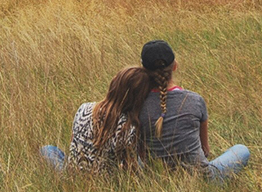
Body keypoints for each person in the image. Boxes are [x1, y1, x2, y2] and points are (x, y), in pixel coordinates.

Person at [138, 40, 249, 181]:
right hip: (201, 179)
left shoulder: (137, 104)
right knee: (241, 150)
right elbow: (205, 150)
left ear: (142, 70)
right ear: (175, 66)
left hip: (157, 180)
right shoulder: (195, 100)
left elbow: (140, 153)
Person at [41, 66, 151, 173]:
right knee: (142, 163)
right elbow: (130, 168)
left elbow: (73, 144)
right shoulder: (127, 127)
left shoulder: (84, 108)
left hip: (72, 174)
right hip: (103, 182)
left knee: (47, 149)